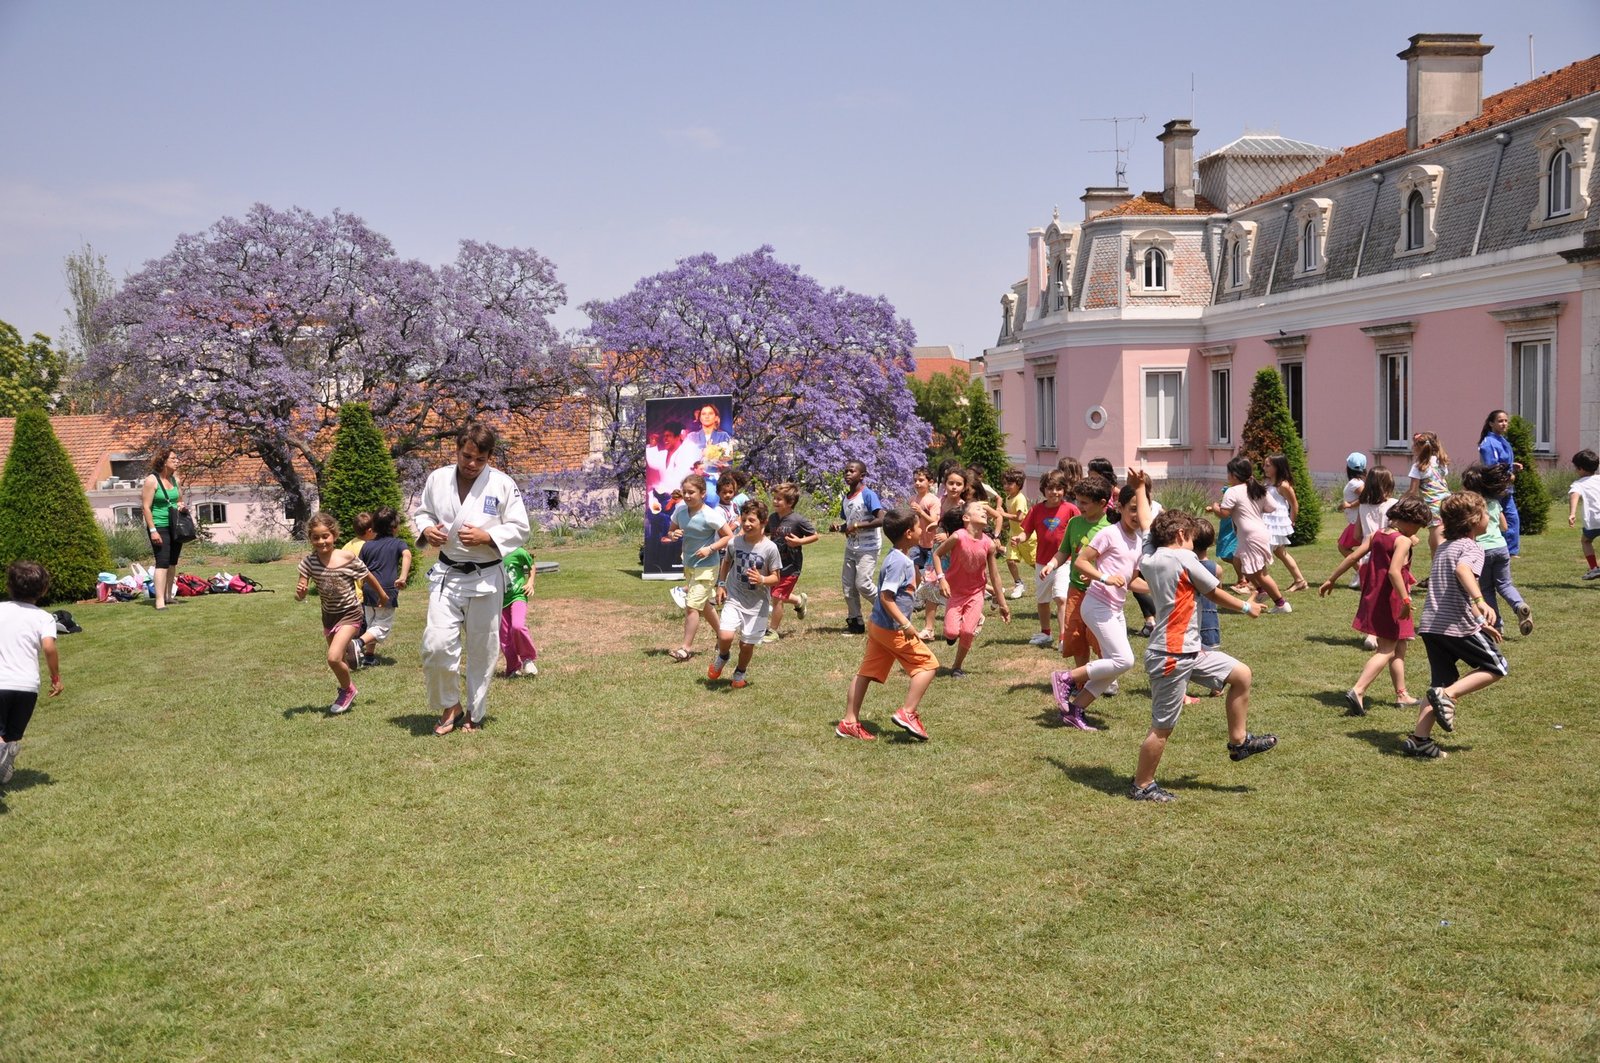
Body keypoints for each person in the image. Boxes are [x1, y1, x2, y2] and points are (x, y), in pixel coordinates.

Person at [1128, 512, 1273, 802]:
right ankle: (1142, 785)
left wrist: (1142, 488)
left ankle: (1239, 742)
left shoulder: (1150, 557)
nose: (1194, 544)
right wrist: (1247, 608)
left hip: (1189, 649)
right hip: (1172, 654)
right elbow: (1214, 591)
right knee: (1162, 727)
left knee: (1241, 674)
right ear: (1181, 534)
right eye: (1192, 538)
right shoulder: (1184, 558)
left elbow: (1146, 527)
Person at [413, 422, 531, 735]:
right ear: (457, 450)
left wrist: (487, 536)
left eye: (480, 459)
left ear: (489, 456)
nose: (471, 464)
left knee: (483, 648)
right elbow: (422, 513)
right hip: (448, 574)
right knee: (436, 644)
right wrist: (426, 530)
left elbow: (521, 528)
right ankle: (450, 703)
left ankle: (475, 712)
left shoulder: (502, 483)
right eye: (466, 456)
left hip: (486, 577)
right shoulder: (438, 479)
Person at [1406, 491, 1508, 759]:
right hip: (1454, 624)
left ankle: (1419, 740)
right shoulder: (1472, 547)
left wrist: (1479, 620)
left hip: (1431, 625)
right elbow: (1463, 573)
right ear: (1474, 520)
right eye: (1486, 513)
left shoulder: (1443, 547)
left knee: (1439, 681)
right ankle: (1448, 696)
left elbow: (1453, 589)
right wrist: (1481, 600)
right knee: (1496, 667)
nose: (1489, 518)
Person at [1047, 474, 1152, 730]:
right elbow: (1081, 561)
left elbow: (1129, 581)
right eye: (1132, 509)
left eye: (1142, 509)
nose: (1138, 515)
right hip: (1096, 604)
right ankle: (1065, 678)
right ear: (1120, 507)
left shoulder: (1138, 543)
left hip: (1115, 608)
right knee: (1124, 660)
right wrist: (1104, 577)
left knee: (1115, 666)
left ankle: (1076, 710)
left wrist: (1162, 589)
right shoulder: (1109, 534)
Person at [1318, 497, 1432, 714]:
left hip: (1375, 597)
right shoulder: (1403, 541)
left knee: (1399, 647)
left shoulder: (1376, 535)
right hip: (1394, 600)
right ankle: (1358, 690)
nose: (1417, 531)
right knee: (1386, 650)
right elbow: (1394, 571)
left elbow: (1353, 557)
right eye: (1418, 526)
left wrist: (1331, 579)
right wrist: (1406, 600)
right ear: (1410, 520)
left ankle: (1402, 694)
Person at [836, 508, 939, 742]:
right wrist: (905, 624)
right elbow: (886, 596)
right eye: (918, 526)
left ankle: (848, 722)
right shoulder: (898, 562)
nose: (922, 529)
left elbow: (907, 585)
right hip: (892, 629)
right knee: (928, 665)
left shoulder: (901, 558)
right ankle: (907, 713)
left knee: (866, 672)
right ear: (908, 533)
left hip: (879, 626)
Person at [297, 512, 389, 715]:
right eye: (316, 537)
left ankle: (347, 689)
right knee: (340, 662)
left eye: (325, 536)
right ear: (310, 539)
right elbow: (300, 591)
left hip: (350, 612)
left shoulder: (346, 558)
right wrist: (301, 592)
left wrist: (382, 596)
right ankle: (348, 680)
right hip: (329, 616)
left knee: (332, 658)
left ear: (334, 535)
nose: (321, 541)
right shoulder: (309, 562)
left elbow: (367, 576)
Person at [932, 500, 1012, 677]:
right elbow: (937, 554)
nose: (984, 511)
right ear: (966, 517)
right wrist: (941, 579)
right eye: (978, 509)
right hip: (955, 592)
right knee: (951, 632)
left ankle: (957, 667)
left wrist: (1003, 604)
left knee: (967, 631)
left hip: (976, 593)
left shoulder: (989, 544)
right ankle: (952, 635)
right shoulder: (957, 537)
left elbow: (995, 576)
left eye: (984, 510)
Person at [0, 561, 63, 785]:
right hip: (27, 686)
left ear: (9, 586)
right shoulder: (44, 618)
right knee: (13, 735)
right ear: (44, 589)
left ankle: (1, 754)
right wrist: (56, 678)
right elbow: (48, 647)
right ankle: (4, 760)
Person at [709, 500, 783, 687]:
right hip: (734, 597)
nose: (747, 524)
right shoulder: (735, 542)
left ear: (763, 523)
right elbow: (726, 562)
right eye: (744, 519)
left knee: (747, 645)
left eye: (752, 520)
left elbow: (776, 577)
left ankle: (739, 674)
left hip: (757, 605)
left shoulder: (770, 548)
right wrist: (721, 584)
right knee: (725, 636)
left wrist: (762, 580)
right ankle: (723, 656)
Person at [1208, 456, 1290, 613]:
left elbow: (1224, 514)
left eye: (1228, 473)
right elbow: (1271, 507)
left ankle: (1281, 604)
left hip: (1250, 536)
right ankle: (1261, 591)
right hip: (1257, 533)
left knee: (1261, 573)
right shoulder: (1257, 488)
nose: (1227, 477)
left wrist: (1215, 507)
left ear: (1234, 474)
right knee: (1239, 562)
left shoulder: (1232, 491)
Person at [1460, 464, 1532, 637]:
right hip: (1501, 548)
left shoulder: (1472, 505)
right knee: (1505, 584)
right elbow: (1505, 526)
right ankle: (1519, 605)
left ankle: (1496, 625)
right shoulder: (1494, 502)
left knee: (1486, 589)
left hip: (1481, 550)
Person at [666, 473, 732, 661]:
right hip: (689, 564)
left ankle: (685, 649)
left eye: (691, 492)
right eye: (684, 492)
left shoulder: (710, 515)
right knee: (703, 605)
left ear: (702, 493)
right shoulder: (679, 511)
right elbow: (670, 532)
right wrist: (674, 534)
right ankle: (723, 635)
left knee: (691, 606)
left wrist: (710, 549)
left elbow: (729, 536)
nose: (687, 496)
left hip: (708, 566)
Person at [1050, 475, 1111, 671]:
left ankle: (1108, 675)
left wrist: (1097, 575)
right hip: (1076, 589)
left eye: (1084, 502)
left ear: (1102, 503)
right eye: (1077, 500)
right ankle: (1081, 677)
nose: (1079, 505)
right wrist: (1052, 564)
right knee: (1075, 633)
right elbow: (1064, 551)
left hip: (1101, 594)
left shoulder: (1110, 529)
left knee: (1100, 635)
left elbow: (1115, 565)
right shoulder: (1075, 523)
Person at [1012, 470, 1077, 647]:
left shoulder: (1071, 509)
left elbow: (1080, 529)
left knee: (1061, 597)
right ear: (1043, 489)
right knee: (1042, 600)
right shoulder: (1036, 510)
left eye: (1058, 488)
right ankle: (1045, 632)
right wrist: (1019, 538)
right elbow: (1026, 532)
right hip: (1041, 561)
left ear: (1064, 490)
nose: (1054, 492)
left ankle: (1064, 637)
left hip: (1064, 561)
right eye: (1050, 488)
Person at [830, 460, 885, 635]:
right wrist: (839, 527)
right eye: (845, 471)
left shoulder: (868, 495)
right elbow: (851, 522)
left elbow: (881, 519)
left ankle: (890, 609)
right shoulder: (846, 499)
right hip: (851, 548)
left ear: (862, 475)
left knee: (863, 584)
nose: (847, 474)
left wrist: (858, 526)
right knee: (848, 587)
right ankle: (855, 622)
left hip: (868, 548)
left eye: (851, 471)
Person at [763, 483, 817, 643]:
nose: (775, 501)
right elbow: (765, 533)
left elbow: (815, 536)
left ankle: (772, 631)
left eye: (779, 499)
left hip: (791, 566)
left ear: (790, 502)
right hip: (775, 565)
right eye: (775, 498)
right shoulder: (772, 518)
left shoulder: (797, 520)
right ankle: (799, 601)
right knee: (778, 595)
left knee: (777, 596)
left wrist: (799, 541)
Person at [357, 507, 411, 664]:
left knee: (371, 623)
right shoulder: (398, 543)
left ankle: (369, 657)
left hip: (368, 590)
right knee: (381, 627)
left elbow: (360, 568)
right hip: (386, 590)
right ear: (394, 527)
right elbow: (407, 555)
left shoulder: (366, 545)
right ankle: (357, 644)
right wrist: (403, 576)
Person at [140, 446, 190, 611]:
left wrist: (181, 506)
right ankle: (159, 601)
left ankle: (169, 596)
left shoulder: (175, 479)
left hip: (174, 525)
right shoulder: (151, 480)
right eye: (174, 459)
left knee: (172, 562)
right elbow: (146, 507)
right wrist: (153, 530)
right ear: (163, 461)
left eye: (177, 458)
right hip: (159, 526)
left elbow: (178, 500)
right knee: (162, 562)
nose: (177, 461)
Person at [1477, 410, 1523, 557]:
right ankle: (1491, 545)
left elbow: (1502, 461)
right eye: (1500, 421)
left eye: (1505, 421)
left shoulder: (1502, 440)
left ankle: (1511, 550)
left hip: (1506, 488)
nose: (1504, 424)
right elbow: (1492, 466)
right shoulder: (1488, 443)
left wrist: (1512, 465)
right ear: (1491, 423)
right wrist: (1508, 476)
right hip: (1495, 487)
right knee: (1494, 517)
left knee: (1512, 517)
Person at [1264, 455, 1309, 591]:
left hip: (1276, 522)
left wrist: (1291, 521)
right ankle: (1299, 580)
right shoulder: (1268, 483)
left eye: (1267, 465)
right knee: (1279, 552)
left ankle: (1257, 583)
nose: (1264, 468)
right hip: (1268, 520)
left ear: (1277, 467)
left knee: (1265, 552)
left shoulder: (1283, 485)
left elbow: (1294, 504)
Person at [1408, 430, 1451, 561]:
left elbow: (1413, 492)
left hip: (1433, 507)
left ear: (1418, 447)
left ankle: (1441, 574)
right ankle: (1435, 574)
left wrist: (1401, 501)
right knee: (1436, 541)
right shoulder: (1441, 462)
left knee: (1437, 542)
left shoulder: (1419, 466)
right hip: (1448, 502)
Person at [499, 545, 538, 677]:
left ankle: (528, 659)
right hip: (498, 601)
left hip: (518, 596)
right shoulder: (489, 553)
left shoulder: (517, 551)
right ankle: (513, 668)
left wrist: (530, 582)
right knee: (504, 637)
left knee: (517, 626)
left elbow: (531, 564)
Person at [998, 468, 1033, 600]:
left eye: (1009, 484)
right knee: (1010, 560)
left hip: (1026, 536)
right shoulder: (1009, 498)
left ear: (1018, 484)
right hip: (1014, 535)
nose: (1006, 486)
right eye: (1005, 483)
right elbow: (1013, 519)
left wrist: (1003, 514)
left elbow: (1020, 518)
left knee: (1034, 563)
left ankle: (1050, 580)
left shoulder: (1020, 498)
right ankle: (1018, 583)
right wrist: (1005, 524)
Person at [1337, 453, 1369, 589]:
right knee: (1362, 549)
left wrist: (1349, 505)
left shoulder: (1354, 483)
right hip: (1357, 520)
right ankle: (1362, 572)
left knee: (1343, 546)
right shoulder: (1360, 482)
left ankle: (1362, 572)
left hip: (1356, 522)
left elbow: (1366, 496)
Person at [684, 404, 733, 492]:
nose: (707, 416)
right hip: (695, 481)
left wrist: (723, 467)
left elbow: (729, 461)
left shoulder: (723, 436)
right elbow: (685, 459)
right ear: (700, 418)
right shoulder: (692, 436)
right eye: (703, 414)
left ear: (716, 417)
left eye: (710, 413)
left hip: (716, 481)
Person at [1568, 449, 1600, 579]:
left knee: (1586, 541)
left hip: (1593, 521)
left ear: (1580, 468)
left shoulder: (1579, 483)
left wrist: (1572, 513)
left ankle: (1593, 568)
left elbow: (1574, 494)